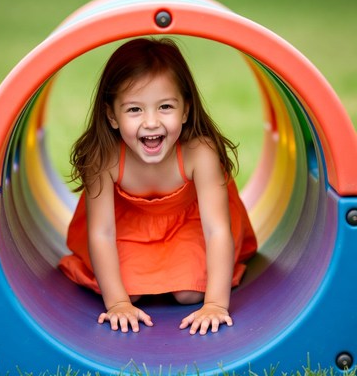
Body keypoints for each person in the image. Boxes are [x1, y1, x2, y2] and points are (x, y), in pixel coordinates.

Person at [59, 37, 257, 335]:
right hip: (129, 227)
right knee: (129, 291)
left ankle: (186, 284)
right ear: (111, 115)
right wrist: (117, 304)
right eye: (134, 110)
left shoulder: (198, 152)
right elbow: (101, 232)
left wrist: (216, 304)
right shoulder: (104, 157)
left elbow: (217, 229)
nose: (151, 122)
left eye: (165, 106)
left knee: (191, 293)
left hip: (189, 223)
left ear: (186, 110)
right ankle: (134, 289)